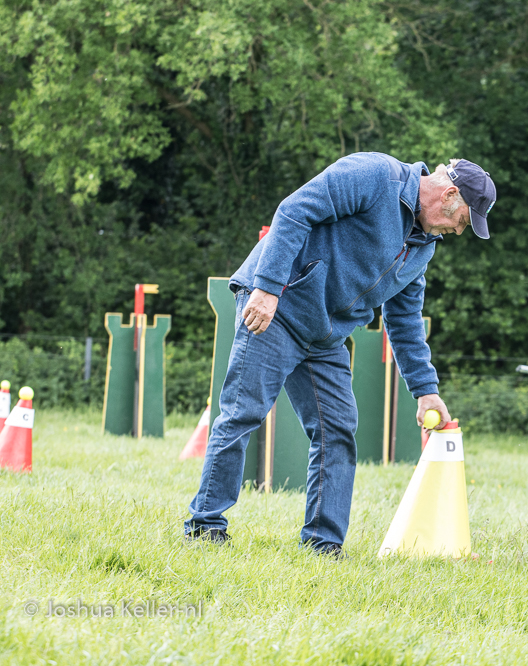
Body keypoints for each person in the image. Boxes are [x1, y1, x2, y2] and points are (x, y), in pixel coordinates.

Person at [184, 153, 497, 555]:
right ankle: (205, 527)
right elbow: (295, 211)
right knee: (243, 411)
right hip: (277, 306)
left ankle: (323, 545)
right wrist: (266, 286)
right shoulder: (374, 176)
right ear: (450, 194)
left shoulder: (423, 246)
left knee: (338, 430)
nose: (458, 231)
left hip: (325, 334)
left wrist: (425, 390)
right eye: (463, 221)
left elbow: (403, 321)